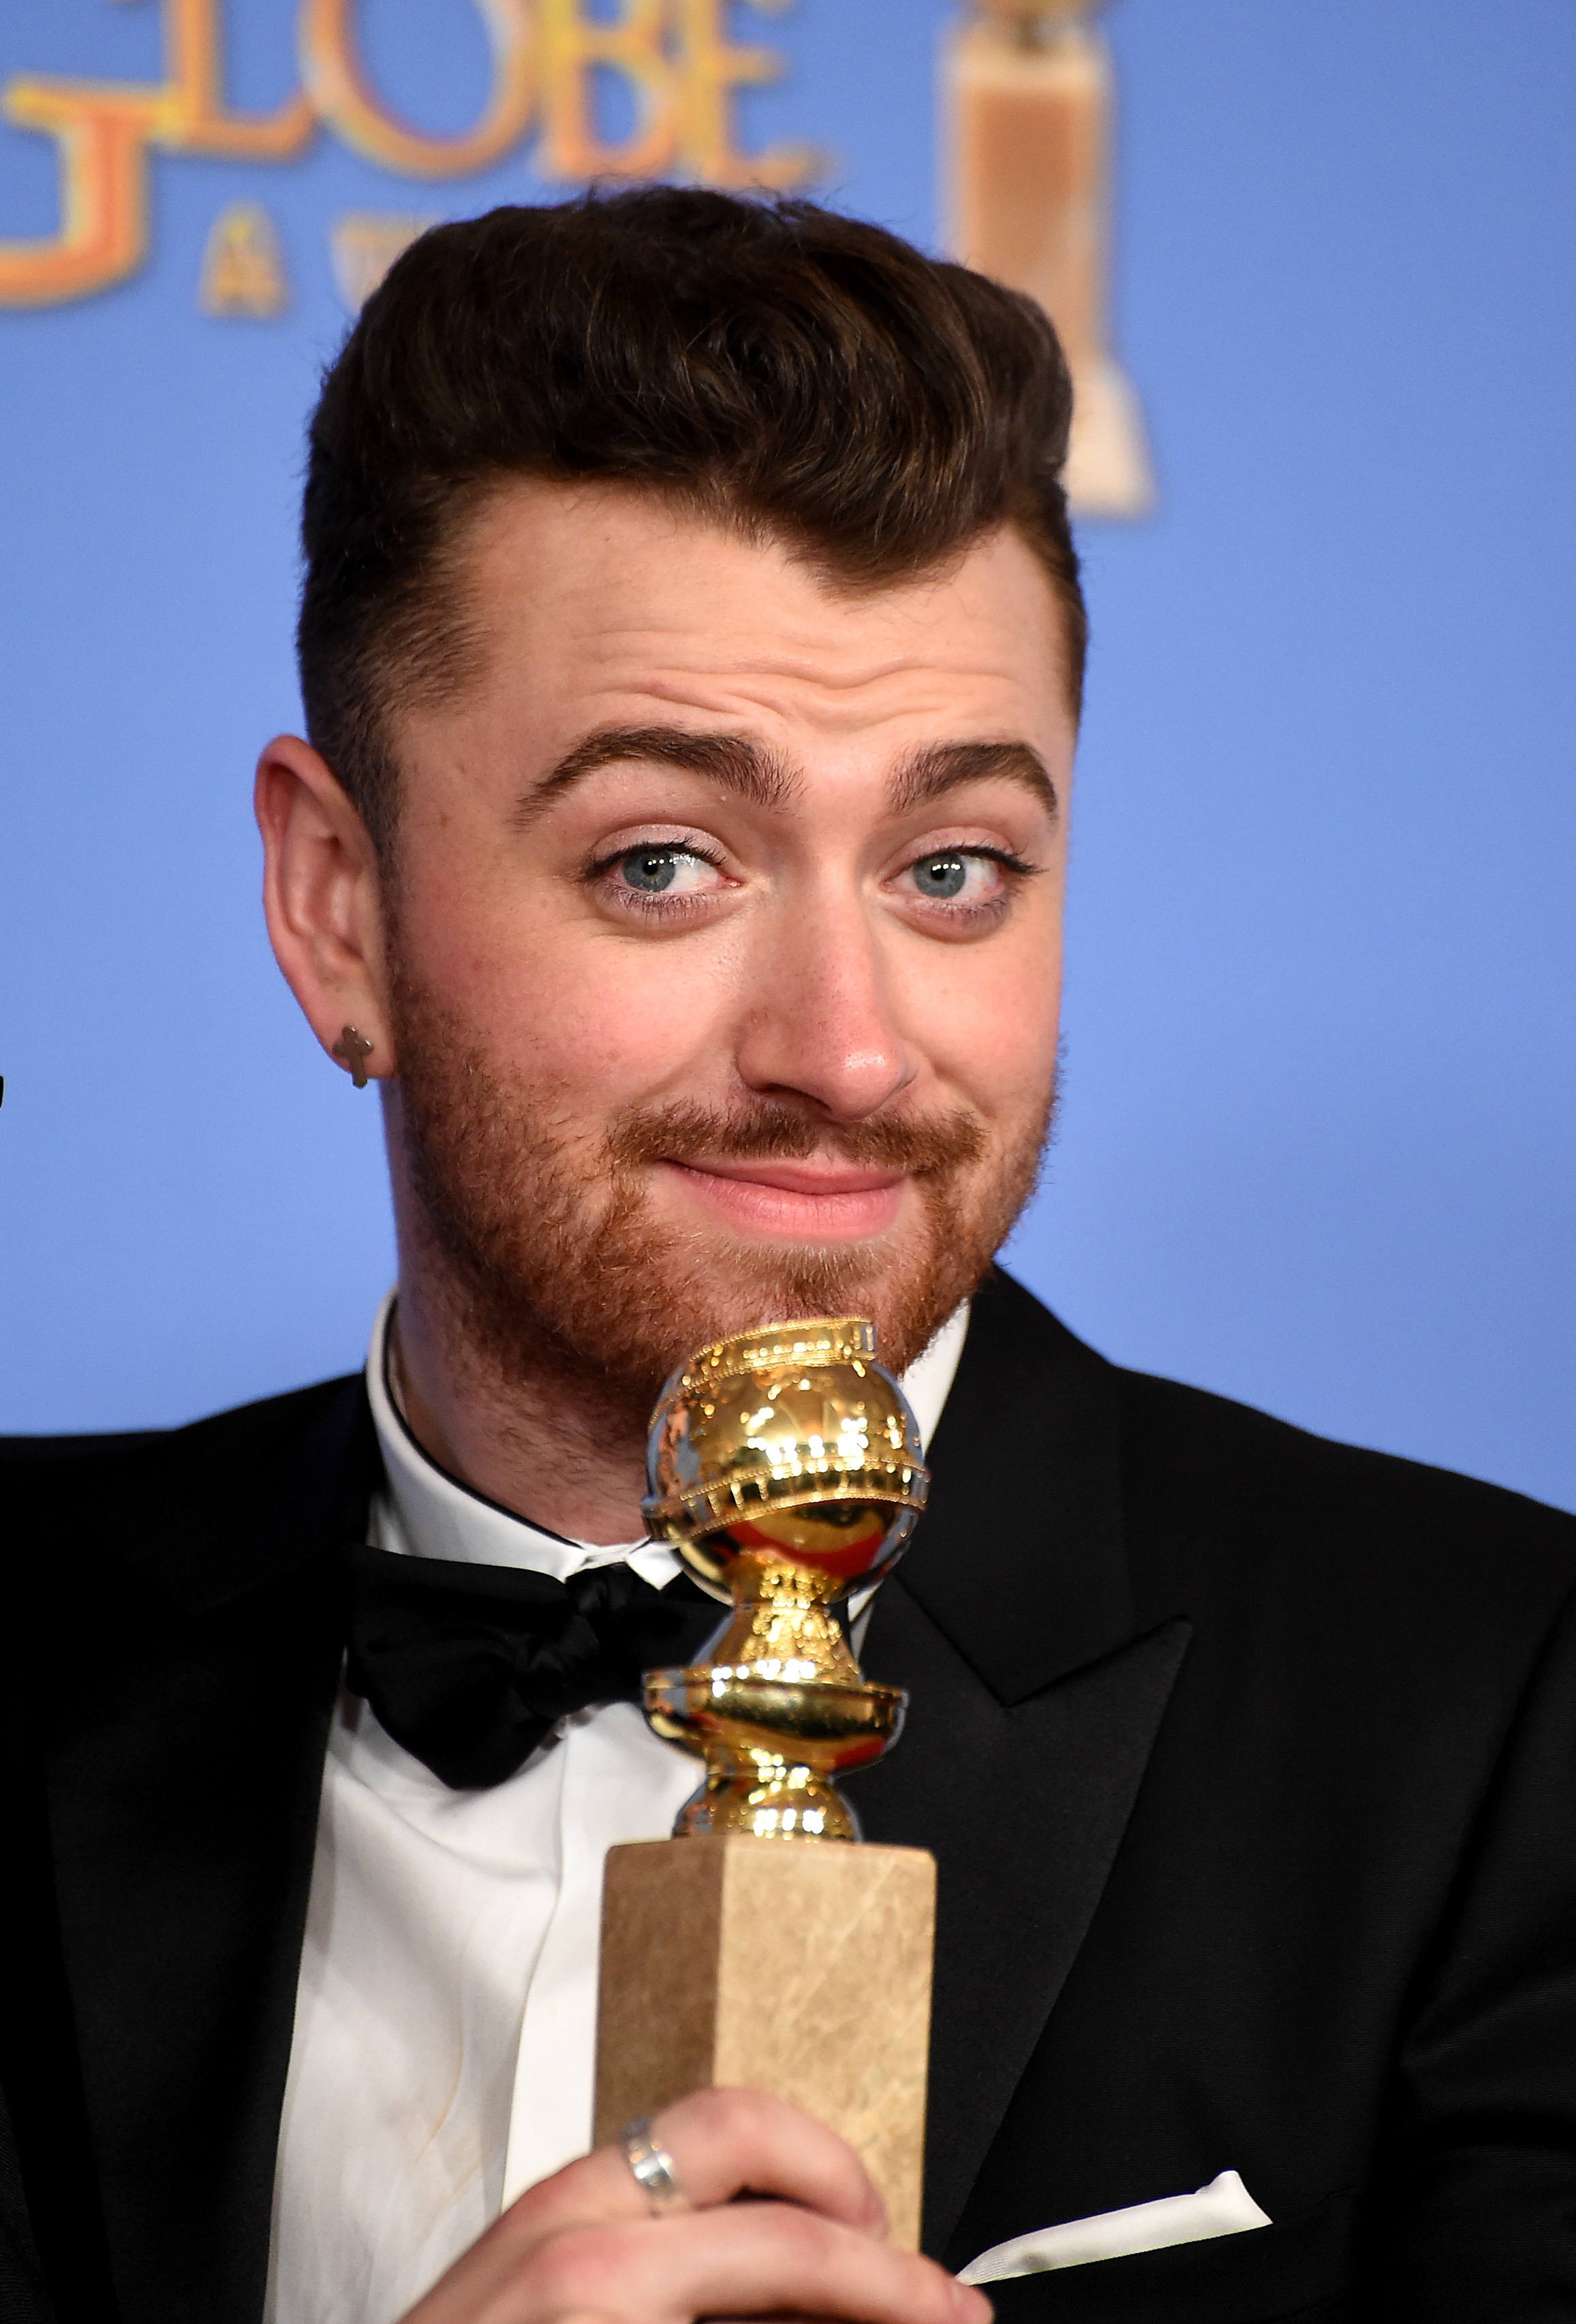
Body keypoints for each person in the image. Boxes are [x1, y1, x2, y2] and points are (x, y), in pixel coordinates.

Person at [4, 187, 1575, 2324]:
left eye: (952, 867)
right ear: (335, 905)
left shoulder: (1495, 1717)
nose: (844, 1047)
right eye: (662, 860)